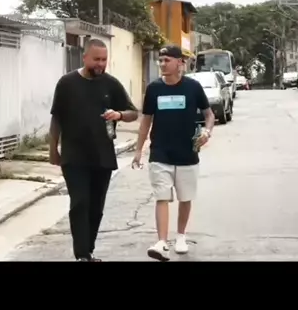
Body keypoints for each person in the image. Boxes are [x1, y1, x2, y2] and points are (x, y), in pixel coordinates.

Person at [49, 38, 139, 262]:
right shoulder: (67, 83)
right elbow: (56, 118)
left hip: (102, 156)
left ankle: (87, 250)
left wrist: (119, 115)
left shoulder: (111, 84)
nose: (100, 64)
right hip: (74, 156)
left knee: (96, 207)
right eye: (96, 59)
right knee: (79, 203)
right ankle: (81, 255)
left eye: (104, 59)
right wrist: (53, 149)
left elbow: (133, 112)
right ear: (85, 57)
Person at [132, 45, 215, 262]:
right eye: (160, 60)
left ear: (180, 63)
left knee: (185, 198)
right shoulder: (153, 89)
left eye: (167, 60)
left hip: (187, 153)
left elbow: (209, 115)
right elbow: (146, 121)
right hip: (160, 153)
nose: (162, 64)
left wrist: (206, 132)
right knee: (161, 196)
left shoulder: (193, 87)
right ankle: (161, 242)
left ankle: (181, 236)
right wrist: (139, 150)